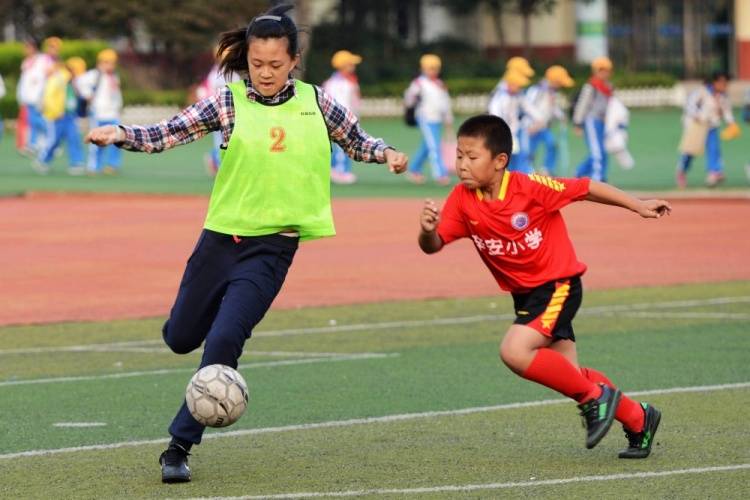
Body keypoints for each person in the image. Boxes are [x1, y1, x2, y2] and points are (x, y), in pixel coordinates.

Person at [85, 4, 408, 484]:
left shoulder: (317, 102)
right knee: (180, 339)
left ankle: (177, 447)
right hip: (219, 240)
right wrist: (122, 134)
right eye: (257, 64)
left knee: (224, 340)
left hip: (271, 250)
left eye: (275, 65)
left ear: (294, 61)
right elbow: (170, 131)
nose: (265, 73)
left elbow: (356, 140)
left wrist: (387, 153)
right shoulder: (228, 101)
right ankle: (199, 323)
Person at [418, 114, 669, 459]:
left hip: (558, 286)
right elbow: (433, 245)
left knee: (514, 351)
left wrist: (638, 205)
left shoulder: (529, 188)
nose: (462, 164)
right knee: (571, 375)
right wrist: (428, 230)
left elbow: (586, 187)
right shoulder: (462, 199)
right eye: (459, 155)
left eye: (472, 157)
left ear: (500, 161)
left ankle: (596, 400)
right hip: (526, 296)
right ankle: (640, 419)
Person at [676, 71, 739, 188]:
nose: (724, 85)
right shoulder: (702, 91)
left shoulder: (723, 96)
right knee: (690, 151)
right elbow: (689, 104)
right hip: (696, 125)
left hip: (712, 125)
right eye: (722, 82)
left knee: (714, 148)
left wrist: (732, 124)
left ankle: (714, 173)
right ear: (715, 82)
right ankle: (681, 171)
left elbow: (726, 112)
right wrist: (697, 115)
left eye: (726, 83)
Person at [403, 54, 453, 185]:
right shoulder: (419, 83)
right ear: (423, 68)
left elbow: (445, 103)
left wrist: (448, 119)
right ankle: (440, 174)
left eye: (436, 68)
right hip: (425, 117)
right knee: (434, 146)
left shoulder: (440, 84)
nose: (433, 71)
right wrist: (411, 108)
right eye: (430, 68)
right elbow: (409, 97)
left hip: (437, 119)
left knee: (427, 146)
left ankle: (413, 169)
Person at [33, 58, 86, 175]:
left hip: (70, 115)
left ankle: (76, 163)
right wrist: (56, 111)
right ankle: (42, 160)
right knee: (53, 140)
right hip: (57, 116)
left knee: (74, 138)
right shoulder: (58, 78)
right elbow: (49, 97)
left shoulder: (71, 82)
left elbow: (74, 98)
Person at [488, 69, 542, 173]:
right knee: (507, 155)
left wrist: (539, 118)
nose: (520, 88)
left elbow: (528, 107)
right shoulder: (500, 97)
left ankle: (521, 174)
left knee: (519, 153)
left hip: (514, 130)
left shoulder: (518, 95)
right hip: (502, 131)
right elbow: (495, 113)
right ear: (511, 84)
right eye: (518, 85)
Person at [79, 48, 123, 175]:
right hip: (98, 113)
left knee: (117, 140)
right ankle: (94, 166)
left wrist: (119, 107)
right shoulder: (94, 75)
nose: (111, 66)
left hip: (113, 113)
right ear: (101, 63)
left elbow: (116, 94)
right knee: (96, 140)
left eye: (113, 63)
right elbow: (80, 83)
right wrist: (88, 95)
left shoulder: (114, 76)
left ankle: (112, 165)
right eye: (108, 62)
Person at [195, 46, 238, 176]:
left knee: (225, 142)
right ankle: (220, 166)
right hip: (221, 113)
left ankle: (215, 159)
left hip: (225, 113)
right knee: (223, 143)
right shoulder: (223, 75)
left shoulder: (217, 74)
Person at [525, 65, 575, 175]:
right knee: (529, 151)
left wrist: (561, 116)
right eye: (560, 83)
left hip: (544, 126)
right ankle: (528, 172)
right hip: (532, 126)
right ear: (554, 81)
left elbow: (552, 108)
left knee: (552, 145)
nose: (561, 86)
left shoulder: (552, 92)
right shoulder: (536, 90)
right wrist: (532, 123)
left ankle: (546, 170)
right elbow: (527, 106)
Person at [323, 50, 363, 184]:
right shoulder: (337, 83)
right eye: (351, 64)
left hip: (348, 118)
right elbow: (341, 103)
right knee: (342, 145)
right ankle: (340, 171)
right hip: (341, 119)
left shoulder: (348, 81)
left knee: (345, 144)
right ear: (343, 66)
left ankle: (337, 169)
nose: (353, 67)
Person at [573, 56, 613, 182]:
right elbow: (582, 104)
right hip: (591, 121)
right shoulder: (591, 86)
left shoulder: (608, 87)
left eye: (606, 70)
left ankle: (580, 172)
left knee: (602, 152)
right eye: (601, 70)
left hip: (603, 122)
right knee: (597, 152)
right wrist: (578, 123)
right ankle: (598, 178)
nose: (604, 73)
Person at [17, 37, 60, 156]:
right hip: (28, 96)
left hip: (39, 95)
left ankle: (52, 139)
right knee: (32, 120)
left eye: (28, 47)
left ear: (34, 48)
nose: (25, 50)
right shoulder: (26, 62)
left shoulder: (43, 59)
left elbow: (51, 74)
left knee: (37, 120)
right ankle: (34, 143)